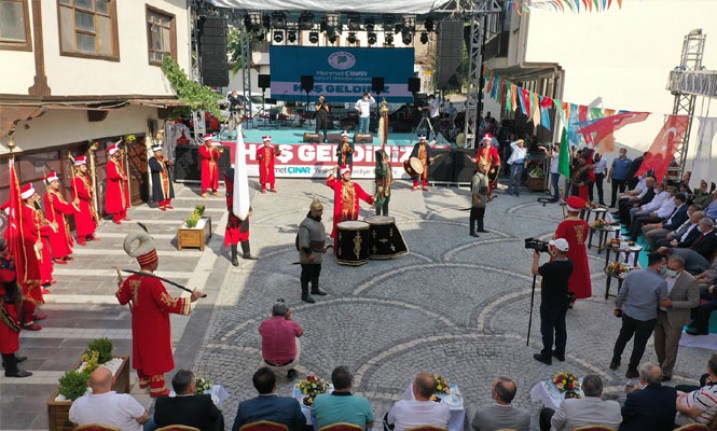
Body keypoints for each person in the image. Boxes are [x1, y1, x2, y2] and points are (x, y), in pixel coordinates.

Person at [116, 230, 204, 397]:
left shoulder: (131, 280)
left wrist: (121, 285)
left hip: (139, 323)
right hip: (155, 325)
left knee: (142, 348)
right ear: (152, 263)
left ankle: (144, 379)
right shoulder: (153, 283)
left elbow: (122, 298)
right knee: (156, 352)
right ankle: (157, 387)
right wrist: (190, 299)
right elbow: (167, 302)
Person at [611, 252, 668, 378]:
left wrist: (618, 307)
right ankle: (631, 369)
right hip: (647, 318)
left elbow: (622, 293)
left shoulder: (632, 274)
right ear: (658, 265)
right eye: (663, 265)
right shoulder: (661, 282)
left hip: (629, 314)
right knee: (639, 344)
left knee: (623, 337)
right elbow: (663, 302)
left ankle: (615, 361)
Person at [653, 255, 699, 380]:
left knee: (671, 347)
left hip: (675, 318)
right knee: (658, 344)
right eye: (668, 267)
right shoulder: (663, 272)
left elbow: (694, 302)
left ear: (681, 269)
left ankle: (666, 372)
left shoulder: (690, 281)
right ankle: (661, 364)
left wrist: (672, 304)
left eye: (673, 268)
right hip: (659, 314)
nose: (669, 270)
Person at [532, 238, 573, 365]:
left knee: (547, 329)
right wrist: (549, 253)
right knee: (561, 327)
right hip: (562, 301)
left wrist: (536, 258)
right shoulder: (569, 264)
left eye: (554, 248)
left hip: (549, 302)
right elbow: (558, 260)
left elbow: (535, 271)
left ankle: (546, 355)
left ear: (557, 249)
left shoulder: (550, 267)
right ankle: (560, 353)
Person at [69, 366, 149, 431]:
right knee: (154, 418)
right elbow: (144, 418)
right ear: (113, 380)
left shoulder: (78, 403)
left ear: (89, 384)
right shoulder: (124, 400)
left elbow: (74, 421)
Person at [19, 183, 53, 329]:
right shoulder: (27, 211)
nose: (37, 196)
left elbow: (39, 222)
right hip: (31, 250)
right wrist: (50, 228)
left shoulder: (33, 208)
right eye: (34, 195)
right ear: (29, 198)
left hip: (36, 247)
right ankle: (27, 319)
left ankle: (31, 313)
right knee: (30, 283)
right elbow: (33, 228)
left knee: (36, 279)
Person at [231, 367, 306, 431]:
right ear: (275, 386)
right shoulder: (291, 404)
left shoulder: (244, 407)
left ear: (256, 387)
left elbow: (236, 429)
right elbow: (301, 425)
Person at [539, 375, 621, 431]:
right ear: (602, 390)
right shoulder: (615, 407)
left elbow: (555, 424)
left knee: (545, 412)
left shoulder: (568, 404)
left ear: (582, 388)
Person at [152, 369, 224, 431]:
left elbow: (157, 420)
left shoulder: (161, 402)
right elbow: (216, 418)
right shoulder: (205, 401)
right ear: (191, 387)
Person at [0, 240, 31, 378]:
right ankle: (11, 369)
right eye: (5, 248)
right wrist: (9, 262)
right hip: (3, 304)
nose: (8, 250)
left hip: (7, 300)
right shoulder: (2, 264)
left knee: (8, 334)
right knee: (7, 334)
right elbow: (8, 277)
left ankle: (9, 359)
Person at [554, 196, 592, 305]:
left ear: (568, 209)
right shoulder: (584, 223)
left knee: (564, 276)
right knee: (577, 276)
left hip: (566, 254)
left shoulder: (564, 224)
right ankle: (572, 299)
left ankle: (562, 297)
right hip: (579, 254)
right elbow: (583, 238)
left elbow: (558, 240)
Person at [311, 366, 374, 430]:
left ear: (332, 382)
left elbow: (314, 418)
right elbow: (369, 425)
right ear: (350, 384)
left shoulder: (319, 400)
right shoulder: (363, 403)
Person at [618, 362, 677, 431]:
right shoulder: (671, 392)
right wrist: (641, 391)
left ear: (643, 379)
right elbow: (654, 398)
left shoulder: (634, 397)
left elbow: (623, 417)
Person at [326, 166, 374, 248]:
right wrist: (333, 171)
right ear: (342, 175)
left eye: (349, 174)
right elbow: (329, 182)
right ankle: (338, 249)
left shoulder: (355, 185)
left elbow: (363, 195)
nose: (349, 175)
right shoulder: (337, 184)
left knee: (352, 229)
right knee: (340, 230)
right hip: (340, 213)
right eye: (347, 174)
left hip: (352, 212)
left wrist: (371, 198)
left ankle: (351, 247)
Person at [386, 373, 450, 431]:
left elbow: (390, 420)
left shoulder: (400, 406)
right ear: (433, 392)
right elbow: (448, 421)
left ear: (415, 390)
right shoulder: (443, 409)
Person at [259, 299, 303, 378]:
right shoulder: (291, 324)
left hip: (268, 363)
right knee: (296, 339)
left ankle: (269, 369)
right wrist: (289, 319)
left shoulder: (265, 323)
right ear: (287, 313)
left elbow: (261, 332)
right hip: (289, 363)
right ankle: (290, 369)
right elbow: (300, 333)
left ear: (272, 312)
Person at [298, 197, 329, 303]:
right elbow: (303, 241)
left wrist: (323, 249)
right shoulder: (305, 224)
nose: (321, 213)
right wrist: (309, 253)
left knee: (316, 272)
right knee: (306, 275)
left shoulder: (319, 223)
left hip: (318, 254)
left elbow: (320, 237)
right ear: (314, 211)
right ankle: (305, 295)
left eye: (321, 210)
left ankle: (315, 289)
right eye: (320, 211)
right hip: (309, 255)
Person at [675, 354, 717, 426]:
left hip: (686, 419)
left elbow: (692, 413)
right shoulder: (710, 390)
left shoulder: (709, 392)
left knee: (657, 403)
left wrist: (675, 402)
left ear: (709, 369)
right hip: (690, 402)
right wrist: (685, 395)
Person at [223, 169, 254, 267]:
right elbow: (230, 206)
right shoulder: (231, 192)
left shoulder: (240, 189)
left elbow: (245, 199)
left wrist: (249, 209)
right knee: (234, 237)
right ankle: (234, 258)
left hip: (244, 215)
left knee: (245, 235)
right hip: (235, 217)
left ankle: (246, 254)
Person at [42, 172, 74, 265]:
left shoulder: (57, 193)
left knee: (63, 236)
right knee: (57, 238)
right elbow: (59, 207)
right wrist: (72, 206)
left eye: (57, 181)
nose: (57, 183)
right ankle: (58, 256)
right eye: (54, 182)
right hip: (55, 218)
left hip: (61, 217)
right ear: (50, 184)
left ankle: (64, 253)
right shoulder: (49, 195)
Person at [71, 156, 99, 245]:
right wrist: (89, 192)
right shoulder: (75, 179)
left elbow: (87, 187)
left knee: (89, 218)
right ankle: (81, 238)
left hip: (87, 202)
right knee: (81, 220)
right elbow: (81, 192)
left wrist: (90, 189)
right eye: (83, 166)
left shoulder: (85, 177)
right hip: (81, 202)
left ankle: (89, 234)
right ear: (78, 167)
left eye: (85, 166)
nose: (85, 168)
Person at [105, 143, 131, 224]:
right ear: (112, 154)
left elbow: (121, 172)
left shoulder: (118, 162)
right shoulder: (110, 164)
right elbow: (112, 175)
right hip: (115, 185)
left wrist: (124, 175)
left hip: (121, 184)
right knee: (116, 201)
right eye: (116, 152)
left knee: (123, 199)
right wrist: (120, 176)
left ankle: (123, 215)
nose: (118, 153)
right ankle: (117, 218)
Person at [148, 145, 174, 211]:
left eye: (160, 151)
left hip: (166, 178)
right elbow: (155, 167)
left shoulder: (163, 158)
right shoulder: (152, 160)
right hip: (159, 179)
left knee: (168, 191)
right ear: (155, 152)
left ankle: (168, 203)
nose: (160, 153)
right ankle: (161, 204)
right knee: (160, 191)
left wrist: (167, 161)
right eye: (158, 152)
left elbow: (171, 165)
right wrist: (162, 163)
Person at [470, 162, 491, 237]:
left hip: (483, 197)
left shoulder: (485, 175)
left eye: (488, 165)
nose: (488, 167)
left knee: (481, 214)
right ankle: (472, 231)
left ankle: (480, 228)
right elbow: (474, 188)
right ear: (481, 166)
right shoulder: (477, 176)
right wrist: (476, 198)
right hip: (478, 197)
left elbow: (486, 186)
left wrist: (488, 195)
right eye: (486, 165)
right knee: (473, 215)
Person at [374, 148, 392, 216]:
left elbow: (389, 174)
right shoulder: (378, 167)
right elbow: (383, 173)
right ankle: (377, 216)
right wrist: (383, 165)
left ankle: (385, 215)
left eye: (387, 158)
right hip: (381, 187)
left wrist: (390, 180)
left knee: (386, 202)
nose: (387, 160)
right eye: (385, 159)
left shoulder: (388, 166)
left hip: (387, 187)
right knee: (379, 202)